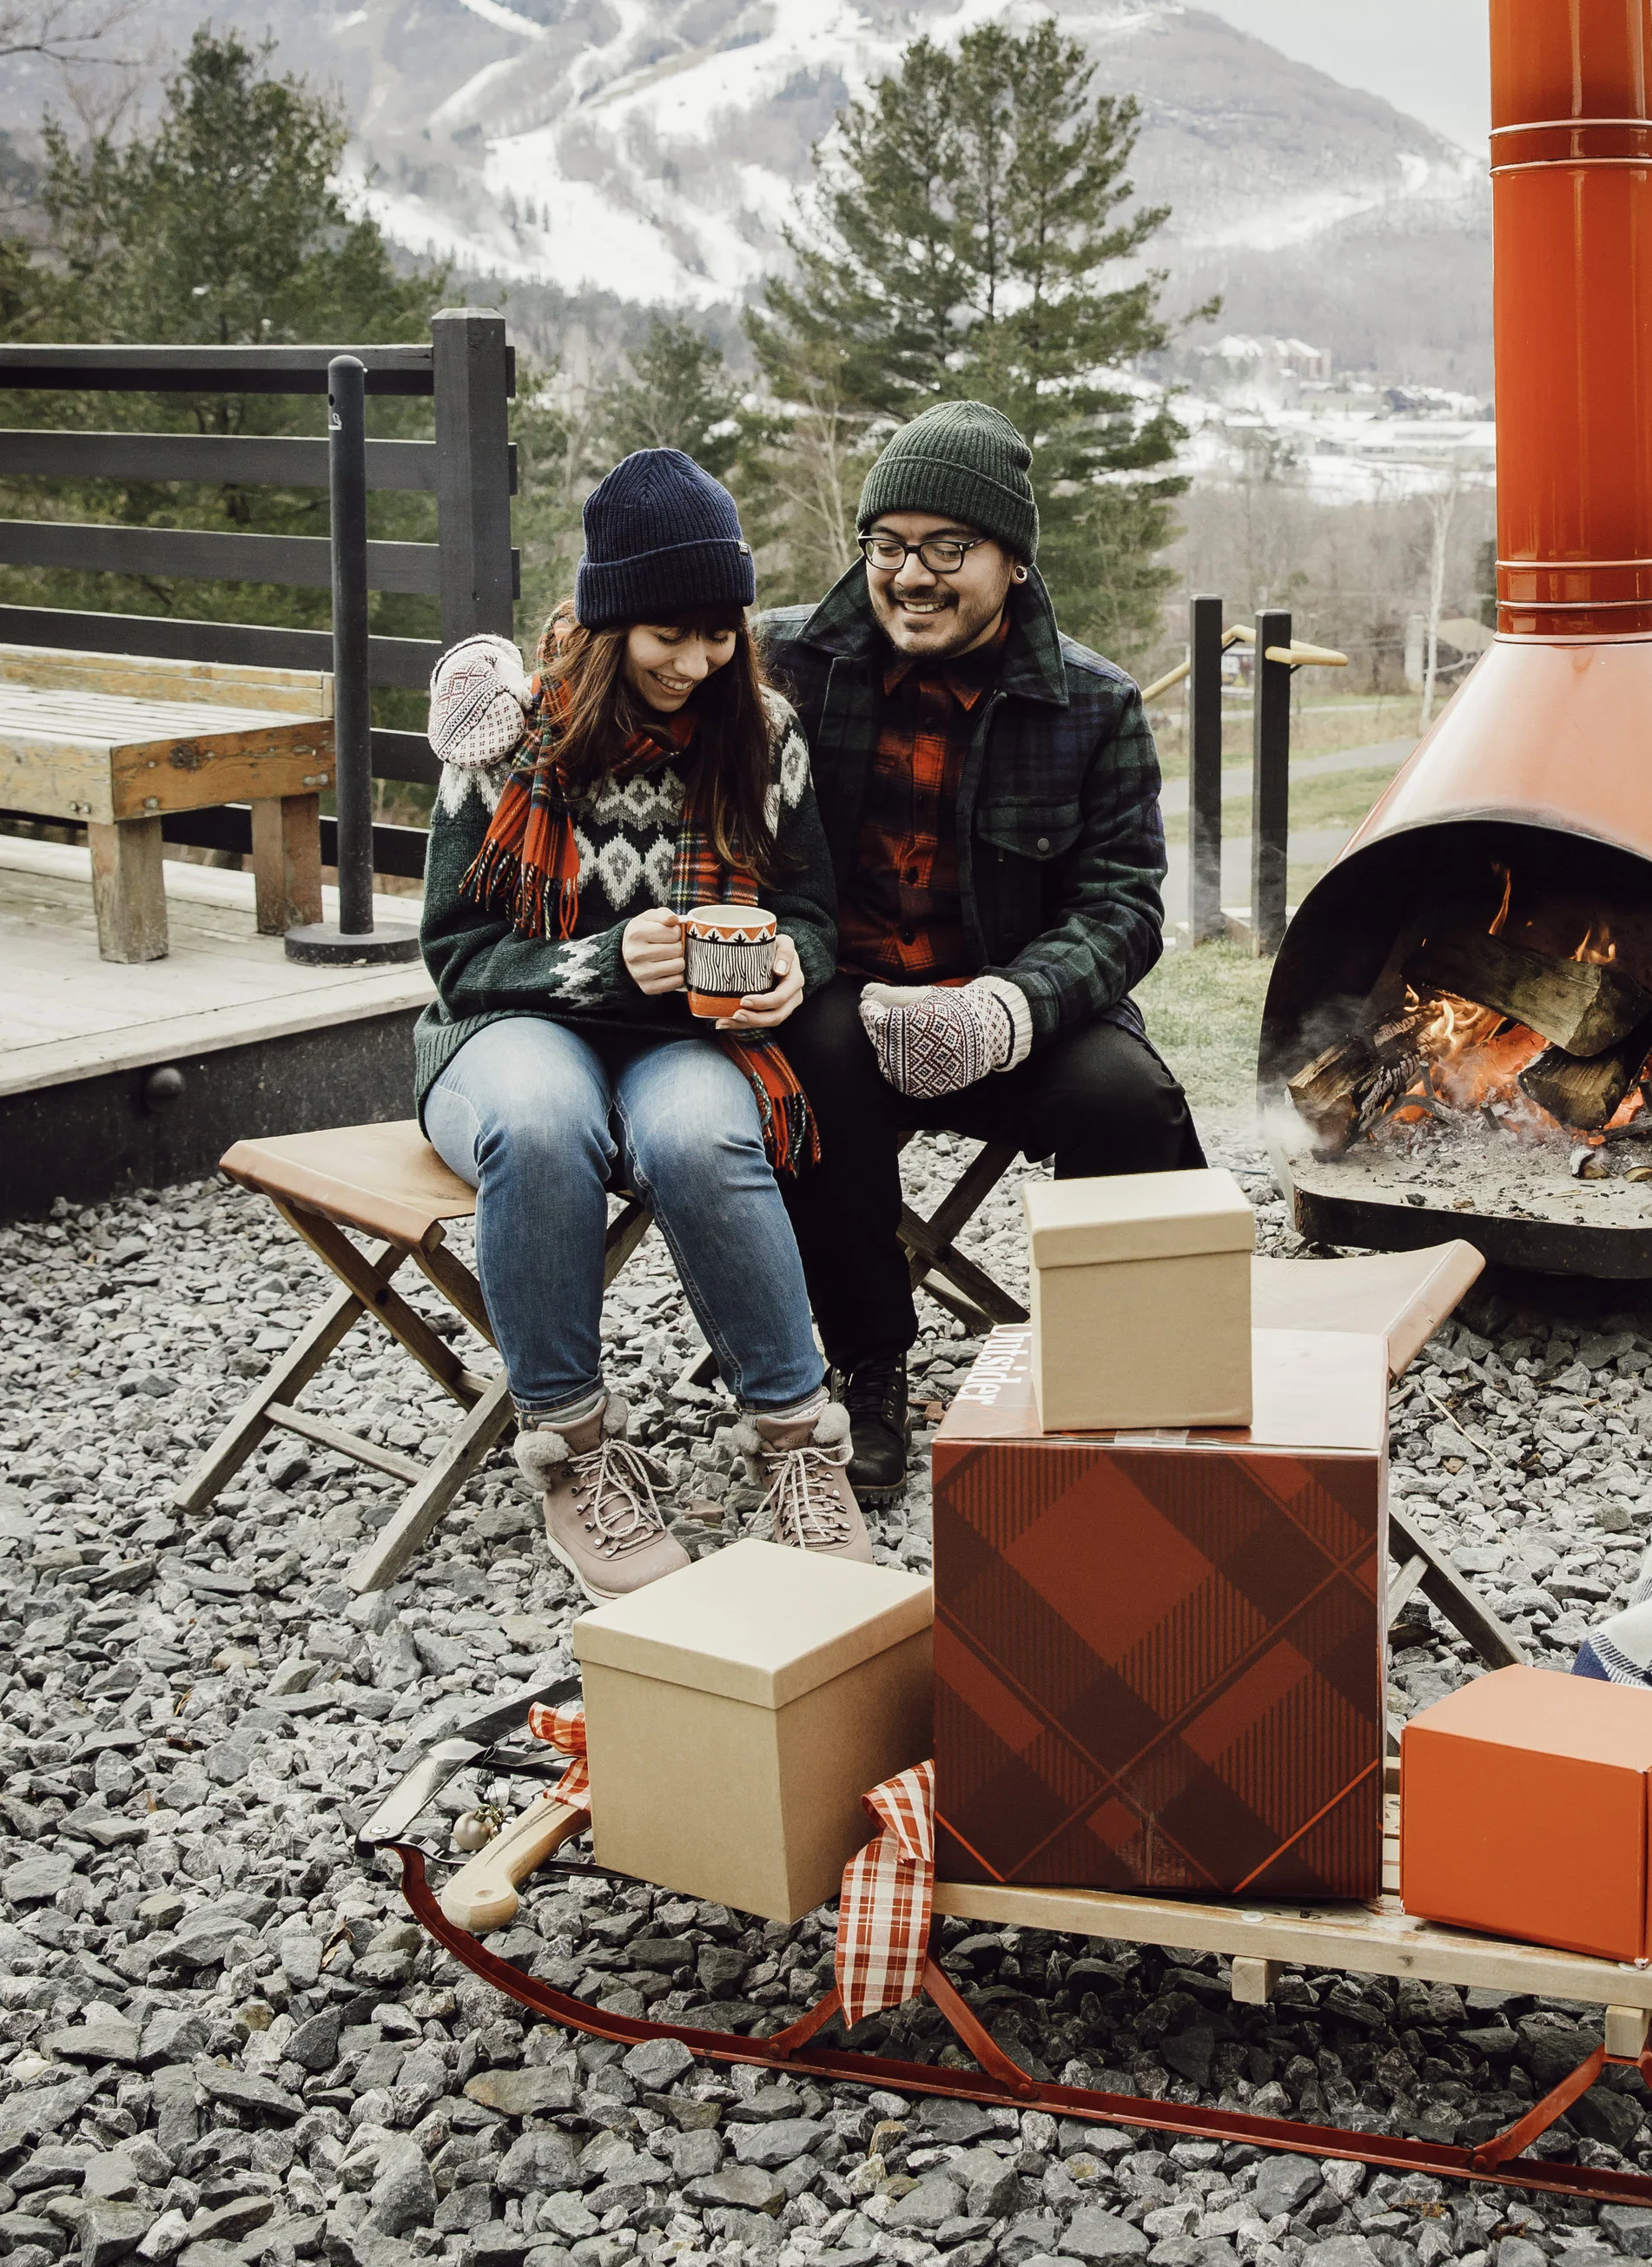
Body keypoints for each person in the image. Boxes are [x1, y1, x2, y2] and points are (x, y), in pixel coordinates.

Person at [417, 446, 869, 1595]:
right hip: (510, 1027)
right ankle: (571, 1448)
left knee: (700, 1137)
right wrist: (600, 960)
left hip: (686, 1038)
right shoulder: (510, 738)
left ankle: (800, 1444)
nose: (698, 660)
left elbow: (815, 916)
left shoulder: (762, 732)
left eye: (719, 631)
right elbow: (458, 956)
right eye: (670, 634)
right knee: (537, 1118)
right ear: (615, 623)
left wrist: (787, 971)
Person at [760, 398, 1205, 1492]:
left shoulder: (1092, 706)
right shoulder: (783, 665)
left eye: (947, 548)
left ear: (1012, 561)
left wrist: (1003, 1009)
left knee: (1127, 1097)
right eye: (888, 545)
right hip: (846, 1004)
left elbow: (1122, 907)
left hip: (1007, 1011)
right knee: (812, 1062)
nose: (911, 576)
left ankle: (1125, 1375)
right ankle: (866, 1371)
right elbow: (638, 671)